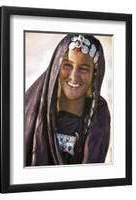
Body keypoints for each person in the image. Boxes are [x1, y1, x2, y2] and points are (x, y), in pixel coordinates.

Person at [25, 33, 110, 166]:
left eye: (84, 68)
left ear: (95, 74)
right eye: (67, 65)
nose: (74, 76)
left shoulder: (98, 110)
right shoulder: (31, 106)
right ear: (56, 67)